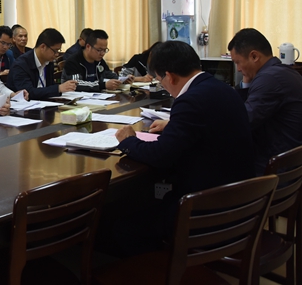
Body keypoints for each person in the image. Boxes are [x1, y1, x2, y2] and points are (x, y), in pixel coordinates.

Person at [111, 41, 254, 255]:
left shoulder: (190, 101)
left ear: (169, 76)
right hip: (241, 198)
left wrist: (128, 141)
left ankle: (162, 265)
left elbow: (161, 156)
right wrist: (174, 125)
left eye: (159, 80)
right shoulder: (223, 88)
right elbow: (209, 124)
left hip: (206, 208)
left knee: (120, 225)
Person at [228, 28, 302, 174]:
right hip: (290, 165)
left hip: (272, 169)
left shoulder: (269, 79)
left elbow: (243, 121)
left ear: (254, 56)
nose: (238, 69)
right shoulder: (283, 72)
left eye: (238, 62)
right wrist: (246, 81)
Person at [6, 28, 77, 100]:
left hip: (45, 103)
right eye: (55, 51)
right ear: (43, 47)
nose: (57, 54)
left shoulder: (49, 62)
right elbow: (28, 93)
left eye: (58, 50)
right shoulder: (21, 64)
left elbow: (49, 86)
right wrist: (58, 88)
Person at [62, 29, 129, 91]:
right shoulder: (73, 61)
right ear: (88, 46)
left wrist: (122, 80)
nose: (102, 53)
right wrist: (104, 85)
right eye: (99, 50)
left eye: (104, 50)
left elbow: (109, 74)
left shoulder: (99, 60)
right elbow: (76, 84)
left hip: (97, 96)